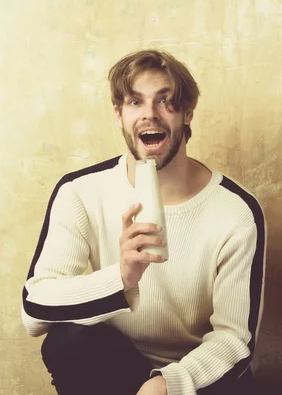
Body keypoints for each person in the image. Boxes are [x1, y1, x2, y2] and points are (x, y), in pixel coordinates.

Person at [21, 50, 266, 395]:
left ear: (187, 113)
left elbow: (236, 338)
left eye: (166, 101)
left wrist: (168, 384)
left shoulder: (236, 210)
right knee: (66, 340)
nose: (150, 114)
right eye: (135, 102)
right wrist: (121, 278)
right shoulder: (80, 191)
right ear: (119, 115)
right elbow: (34, 310)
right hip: (118, 368)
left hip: (198, 378)